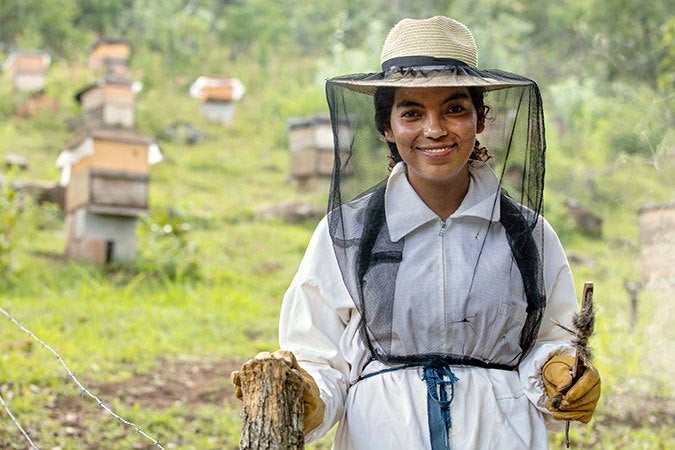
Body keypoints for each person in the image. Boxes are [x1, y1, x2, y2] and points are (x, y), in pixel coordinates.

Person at [233, 15, 600, 449]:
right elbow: (320, 359)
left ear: (480, 119)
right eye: (412, 112)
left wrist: (559, 372)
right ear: (387, 126)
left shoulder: (528, 234)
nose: (434, 129)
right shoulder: (347, 233)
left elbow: (548, 342)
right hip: (382, 435)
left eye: (455, 109)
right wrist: (306, 394)